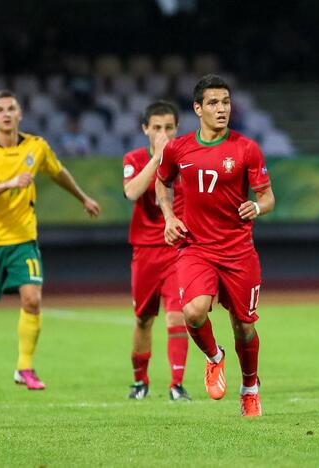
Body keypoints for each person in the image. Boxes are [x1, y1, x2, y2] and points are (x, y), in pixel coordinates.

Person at [0, 90, 100, 393]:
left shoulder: (37, 146)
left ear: (20, 114)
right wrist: (11, 183)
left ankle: (25, 368)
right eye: (0, 109)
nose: (6, 114)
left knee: (32, 299)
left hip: (22, 238)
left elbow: (58, 173)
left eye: (11, 108)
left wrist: (83, 198)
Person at [155, 75, 275, 416]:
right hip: (195, 247)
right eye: (213, 103)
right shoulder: (177, 149)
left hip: (238, 251)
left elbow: (268, 197)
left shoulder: (246, 148)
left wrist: (257, 206)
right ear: (197, 109)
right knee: (192, 311)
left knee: (245, 326)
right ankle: (214, 357)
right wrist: (168, 218)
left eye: (225, 102)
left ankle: (250, 387)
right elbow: (161, 185)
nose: (221, 109)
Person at [122, 101, 190, 401]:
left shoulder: (188, 159)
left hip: (178, 249)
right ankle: (140, 381)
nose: (163, 133)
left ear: (177, 128)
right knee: (143, 319)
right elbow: (132, 192)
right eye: (157, 128)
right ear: (145, 129)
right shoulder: (135, 158)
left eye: (169, 128)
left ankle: (176, 384)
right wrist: (158, 158)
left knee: (178, 317)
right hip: (145, 251)